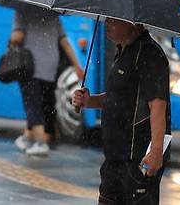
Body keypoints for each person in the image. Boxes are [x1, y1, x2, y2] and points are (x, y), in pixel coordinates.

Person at [73, 19, 170, 205]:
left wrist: (156, 151)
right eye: (107, 20)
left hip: (137, 158)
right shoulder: (123, 51)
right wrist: (89, 101)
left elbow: (157, 104)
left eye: (113, 21)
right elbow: (118, 97)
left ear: (132, 23)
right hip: (114, 156)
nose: (107, 24)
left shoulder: (149, 54)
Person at [11, 8, 82, 156]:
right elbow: (64, 42)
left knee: (32, 105)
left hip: (30, 67)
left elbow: (17, 37)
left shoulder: (22, 12)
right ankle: (27, 138)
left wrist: (12, 41)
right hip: (50, 67)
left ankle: (40, 143)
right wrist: (77, 66)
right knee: (41, 104)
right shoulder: (52, 15)